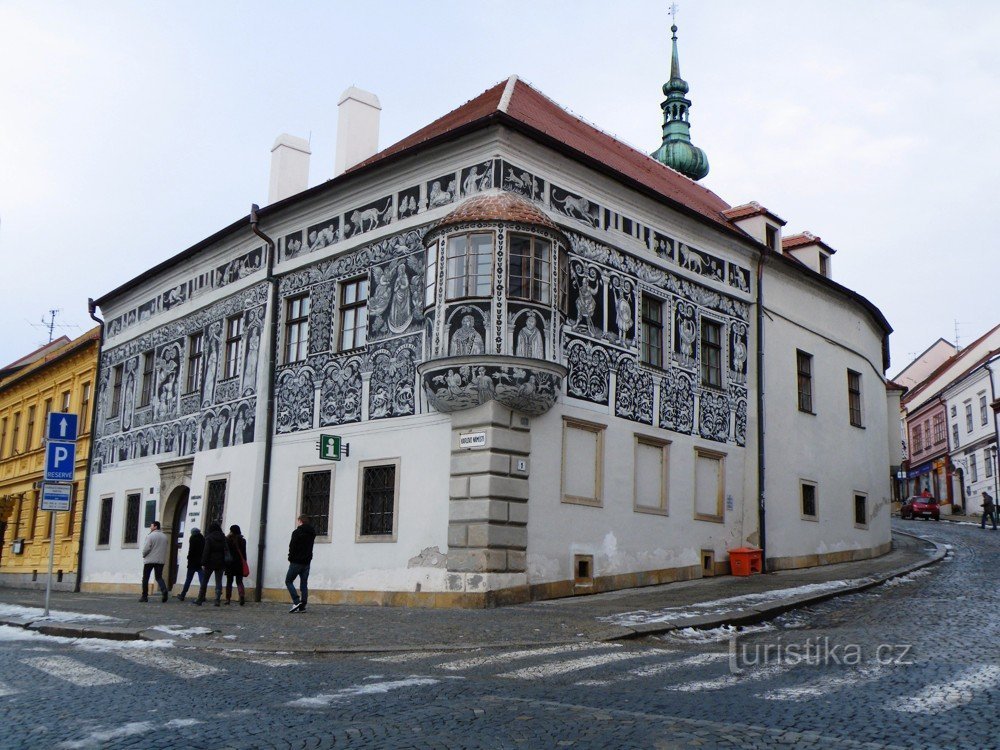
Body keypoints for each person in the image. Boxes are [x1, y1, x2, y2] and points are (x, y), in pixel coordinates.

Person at [286, 515, 317, 613]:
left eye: (298, 521)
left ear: (300, 521)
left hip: (296, 561)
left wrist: (290, 558)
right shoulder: (312, 533)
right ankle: (302, 606)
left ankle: (296, 601)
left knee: (288, 581)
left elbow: (292, 546)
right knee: (304, 584)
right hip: (307, 562)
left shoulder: (296, 532)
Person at [194, 522, 227, 606]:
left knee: (205, 581)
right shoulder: (223, 538)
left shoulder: (209, 538)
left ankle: (200, 598)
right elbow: (226, 550)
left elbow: (206, 551)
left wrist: (203, 562)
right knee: (218, 581)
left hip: (210, 562)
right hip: (221, 561)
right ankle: (217, 599)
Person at [140, 521, 169, 603]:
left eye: (151, 526)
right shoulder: (164, 536)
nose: (150, 527)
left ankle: (144, 596)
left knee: (145, 578)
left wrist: (144, 554)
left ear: (155, 527)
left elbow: (146, 548)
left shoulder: (150, 536)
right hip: (160, 560)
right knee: (159, 577)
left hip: (149, 560)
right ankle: (164, 590)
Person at [175, 527, 205, 602]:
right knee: (202, 579)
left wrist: (189, 557)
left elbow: (191, 550)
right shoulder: (202, 538)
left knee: (188, 579)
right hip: (200, 561)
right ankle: (202, 595)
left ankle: (183, 595)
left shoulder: (192, 538)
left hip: (192, 562)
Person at [224, 524, 248, 606]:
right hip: (239, 563)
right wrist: (245, 561)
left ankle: (228, 599)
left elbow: (226, 551)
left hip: (230, 563)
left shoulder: (228, 540)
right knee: (239, 581)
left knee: (229, 582)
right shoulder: (243, 540)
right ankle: (241, 596)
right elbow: (244, 553)